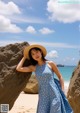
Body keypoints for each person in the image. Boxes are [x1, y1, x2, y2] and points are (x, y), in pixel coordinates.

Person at [16, 44, 73, 113]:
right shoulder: (34, 67)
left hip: (54, 93)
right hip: (43, 96)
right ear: (32, 57)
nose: (35, 55)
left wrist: (62, 90)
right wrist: (24, 57)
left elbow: (60, 76)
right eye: (33, 54)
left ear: (41, 52)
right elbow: (19, 68)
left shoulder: (50, 63)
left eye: (37, 52)